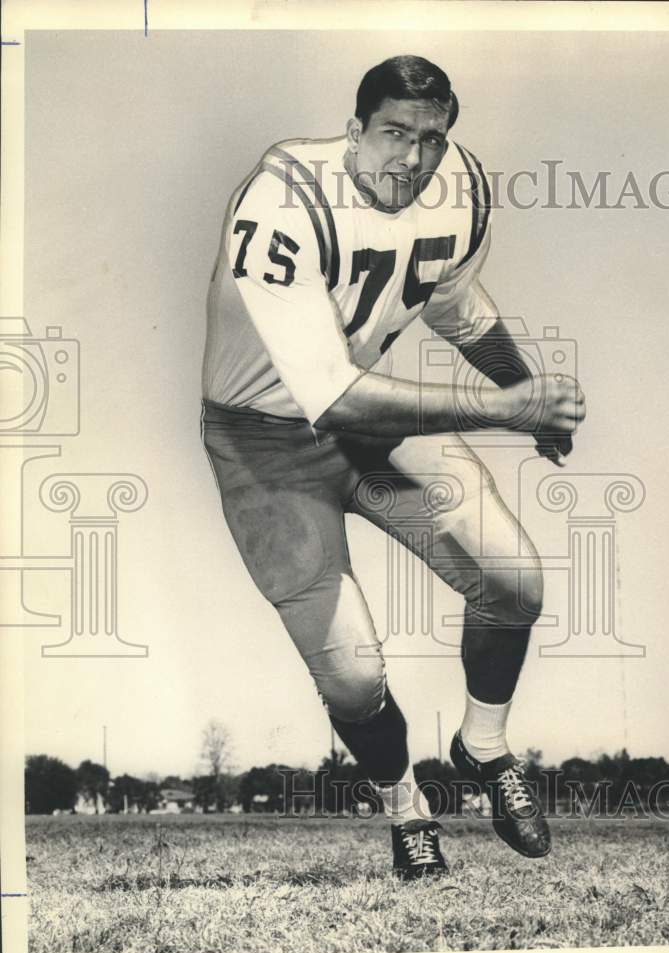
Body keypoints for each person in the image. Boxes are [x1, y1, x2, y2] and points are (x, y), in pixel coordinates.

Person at [201, 55, 586, 879]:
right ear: (353, 130)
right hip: (267, 442)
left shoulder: (458, 187)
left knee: (514, 580)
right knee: (352, 680)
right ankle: (406, 809)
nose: (412, 160)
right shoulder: (284, 201)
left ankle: (484, 750)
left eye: (432, 139)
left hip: (377, 430)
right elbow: (334, 398)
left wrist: (515, 381)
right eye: (393, 135)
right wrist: (510, 410)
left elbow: (454, 304)